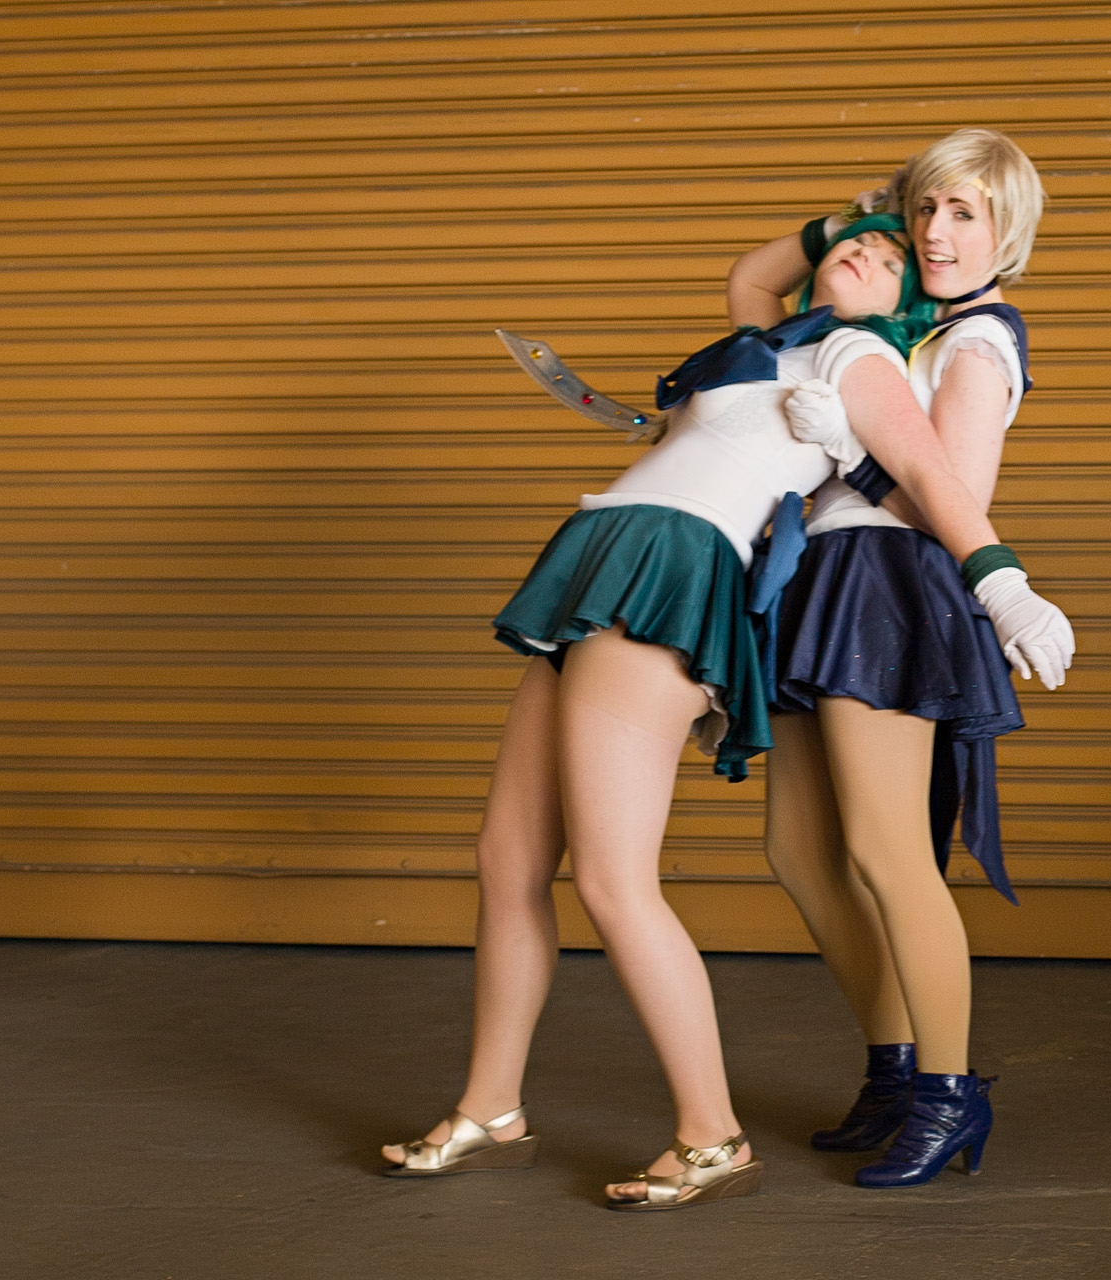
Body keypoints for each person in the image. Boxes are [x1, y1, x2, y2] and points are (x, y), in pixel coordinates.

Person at [382, 216, 995, 1210]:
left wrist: (999, 576)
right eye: (859, 243)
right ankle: (491, 1109)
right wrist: (842, 220)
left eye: (892, 259)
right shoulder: (765, 340)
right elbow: (754, 273)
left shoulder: (859, 356)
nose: (868, 254)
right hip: (603, 554)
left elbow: (931, 476)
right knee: (507, 856)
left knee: (612, 877)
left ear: (907, 306)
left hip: (672, 569)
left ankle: (712, 1137)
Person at [725, 128, 1074, 1186]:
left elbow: (947, 494)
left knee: (887, 853)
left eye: (964, 212)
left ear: (1010, 233)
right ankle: (896, 1065)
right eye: (925, 208)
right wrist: (850, 225)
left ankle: (951, 1093)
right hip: (818, 576)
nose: (934, 232)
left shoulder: (979, 341)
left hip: (889, 583)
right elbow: (751, 285)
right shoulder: (897, 321)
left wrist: (849, 447)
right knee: (798, 851)